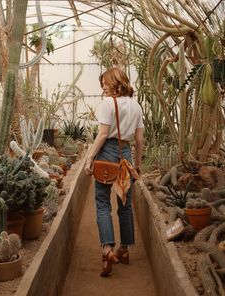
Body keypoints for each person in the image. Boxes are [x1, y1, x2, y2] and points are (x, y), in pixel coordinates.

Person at [84, 67, 144, 277]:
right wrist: (137, 164)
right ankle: (124, 250)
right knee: (125, 205)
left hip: (107, 153)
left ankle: (107, 250)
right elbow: (139, 139)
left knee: (102, 203)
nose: (103, 87)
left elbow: (102, 135)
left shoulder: (108, 104)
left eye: (105, 83)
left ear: (115, 82)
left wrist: (90, 158)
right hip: (126, 154)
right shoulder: (136, 106)